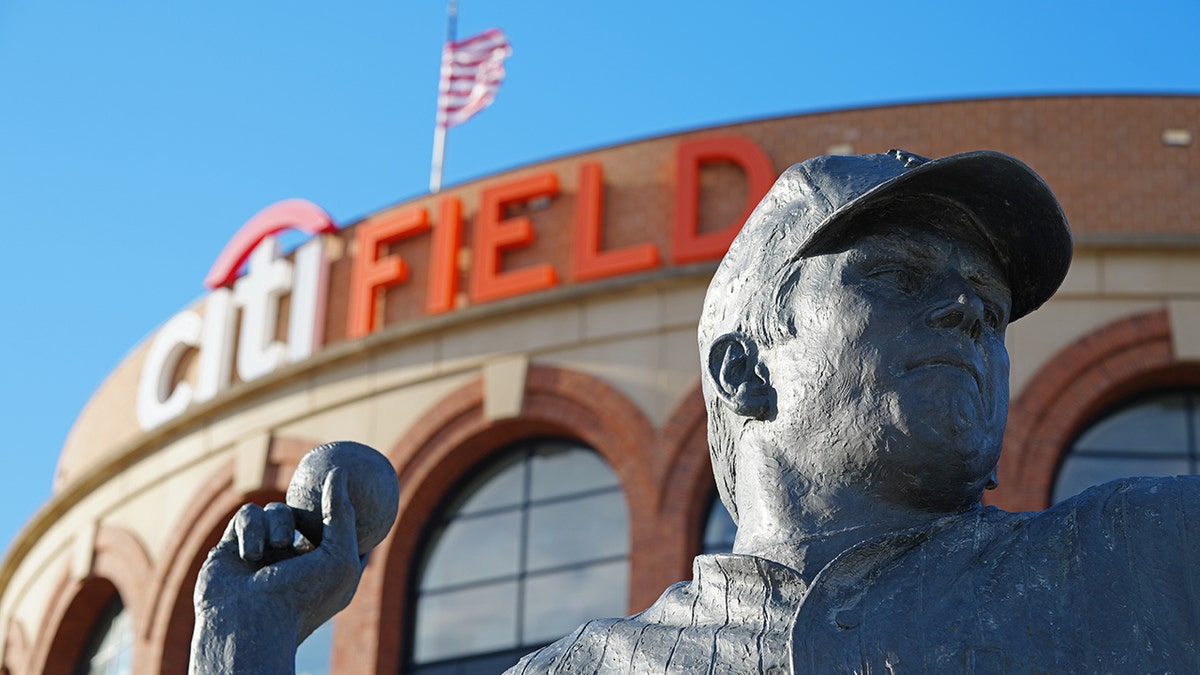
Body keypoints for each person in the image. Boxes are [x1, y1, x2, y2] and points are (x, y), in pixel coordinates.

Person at [507, 150, 1200, 673]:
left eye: (992, 308)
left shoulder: (1149, 553)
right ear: (745, 371)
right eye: (898, 276)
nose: (967, 309)